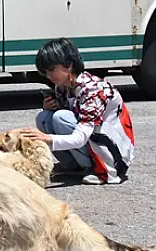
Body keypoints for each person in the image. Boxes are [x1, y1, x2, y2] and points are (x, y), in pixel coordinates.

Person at [21, 38, 134, 185]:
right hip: (92, 139)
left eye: (51, 70)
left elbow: (80, 136)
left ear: (69, 65)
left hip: (113, 151)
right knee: (44, 117)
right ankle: (74, 166)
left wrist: (46, 138)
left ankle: (101, 168)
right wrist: (50, 107)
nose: (48, 76)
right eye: (45, 72)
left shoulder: (93, 89)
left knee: (60, 117)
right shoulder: (63, 86)